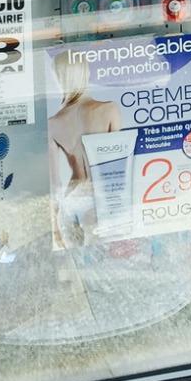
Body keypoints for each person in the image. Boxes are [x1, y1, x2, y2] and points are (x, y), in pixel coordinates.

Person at [46, 48, 125, 246]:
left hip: (71, 199)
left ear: (59, 78)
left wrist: (55, 226)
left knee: (76, 262)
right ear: (86, 73)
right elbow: (116, 170)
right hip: (99, 196)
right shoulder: (109, 110)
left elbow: (54, 184)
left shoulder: (52, 124)